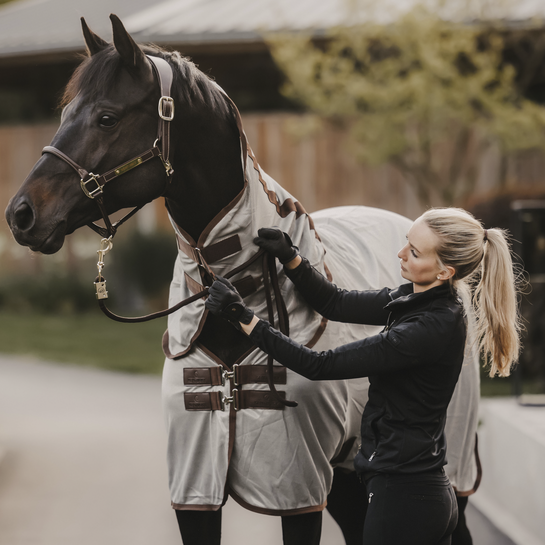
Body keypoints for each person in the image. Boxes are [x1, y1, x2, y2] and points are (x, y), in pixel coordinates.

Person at [205, 207, 521, 545]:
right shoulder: (419, 299)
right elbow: (336, 302)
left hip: (403, 500)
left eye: (414, 252)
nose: (400, 254)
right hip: (418, 494)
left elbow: (319, 365)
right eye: (406, 243)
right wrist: (291, 258)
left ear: (445, 271)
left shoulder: (425, 329)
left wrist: (242, 318)